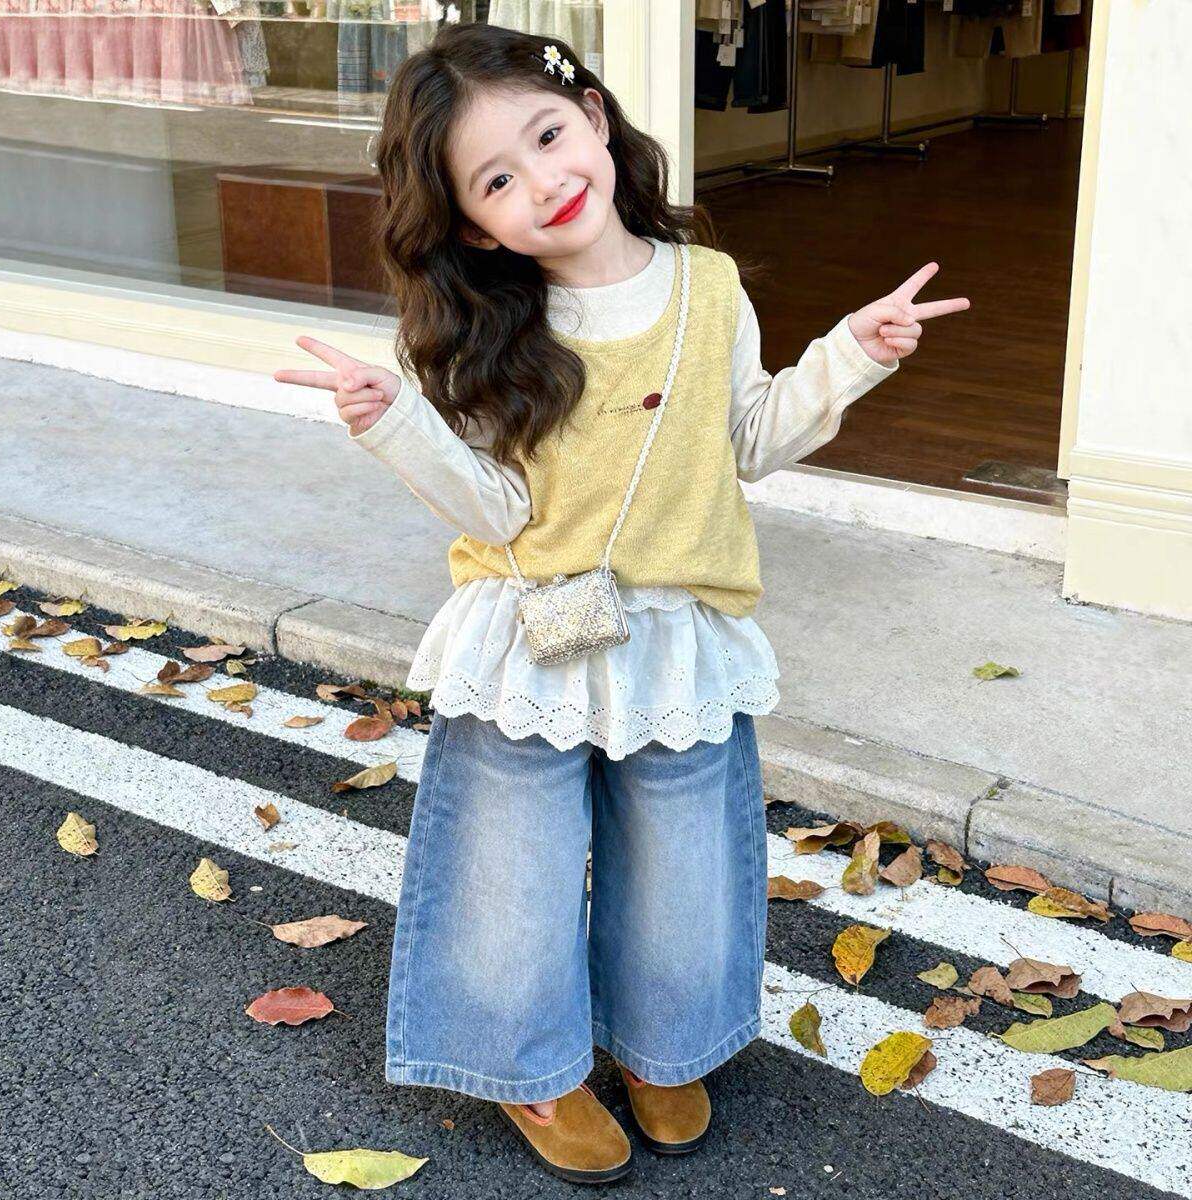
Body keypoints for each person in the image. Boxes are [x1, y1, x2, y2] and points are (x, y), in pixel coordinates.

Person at [273, 21, 969, 1186]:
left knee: (684, 866)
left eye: (548, 137)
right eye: (496, 180)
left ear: (593, 116)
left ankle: (663, 1045)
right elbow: (496, 509)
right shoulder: (490, 327)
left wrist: (852, 352)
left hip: (676, 637)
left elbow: (749, 441)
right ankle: (530, 1069)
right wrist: (395, 420)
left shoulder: (709, 287)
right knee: (514, 870)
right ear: (472, 224)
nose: (542, 181)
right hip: (529, 633)